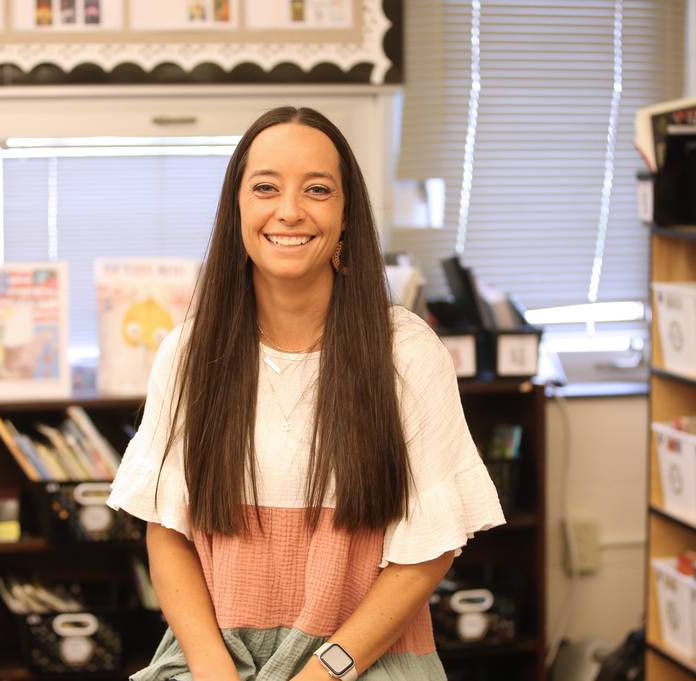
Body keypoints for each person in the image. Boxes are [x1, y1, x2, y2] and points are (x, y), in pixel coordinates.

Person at [107, 106, 506, 681]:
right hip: (214, 660)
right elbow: (167, 532)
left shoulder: (407, 352)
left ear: (346, 216)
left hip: (363, 662)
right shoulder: (190, 352)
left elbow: (430, 549)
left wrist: (325, 672)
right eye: (265, 187)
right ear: (237, 209)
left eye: (317, 189)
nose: (289, 211)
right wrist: (212, 669)